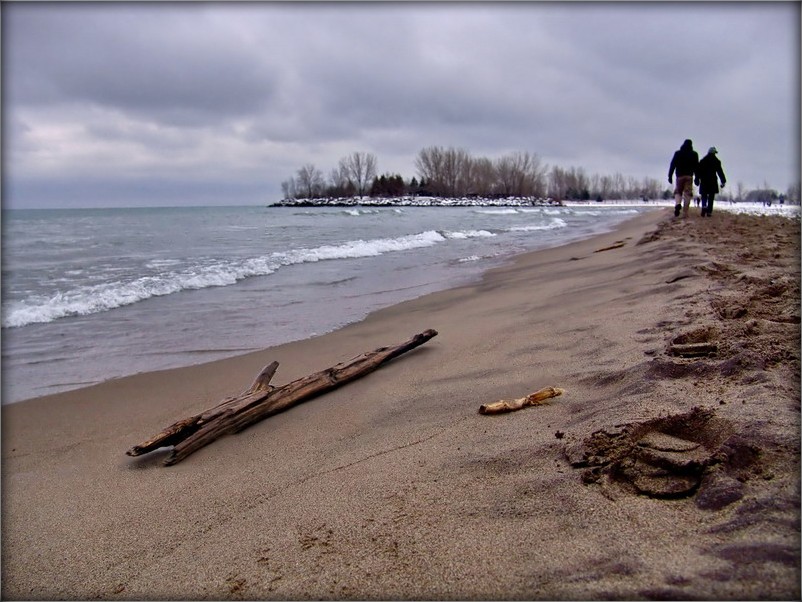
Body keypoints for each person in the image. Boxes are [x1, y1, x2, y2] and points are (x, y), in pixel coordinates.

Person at [668, 139, 699, 218]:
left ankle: (678, 204)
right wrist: (697, 178)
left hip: (679, 176)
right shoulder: (694, 154)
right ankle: (685, 212)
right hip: (689, 176)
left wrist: (670, 176)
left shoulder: (678, 153)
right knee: (688, 193)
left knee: (678, 192)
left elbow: (672, 164)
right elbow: (697, 167)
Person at [695, 147, 726, 217]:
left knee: (704, 195)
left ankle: (704, 206)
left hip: (704, 180)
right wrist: (723, 181)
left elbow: (698, 171)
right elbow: (720, 172)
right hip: (712, 181)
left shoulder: (703, 160)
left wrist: (697, 179)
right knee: (711, 197)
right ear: (714, 153)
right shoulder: (716, 161)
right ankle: (709, 212)